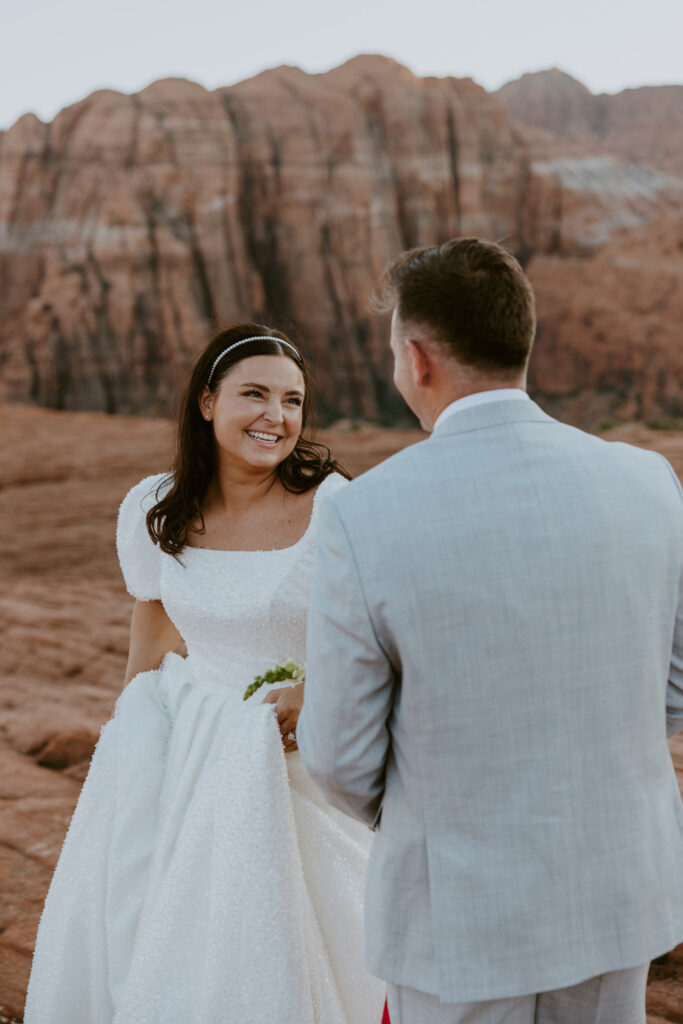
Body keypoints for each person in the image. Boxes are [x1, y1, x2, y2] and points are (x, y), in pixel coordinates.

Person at [298, 238, 683, 1024]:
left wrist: (435, 812)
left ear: (416, 358)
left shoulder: (360, 511)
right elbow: (673, 689)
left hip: (457, 915)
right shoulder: (647, 482)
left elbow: (338, 756)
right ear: (520, 342)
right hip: (616, 893)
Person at [24, 323, 386, 1024]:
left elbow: (379, 630)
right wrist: (133, 726)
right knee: (168, 933)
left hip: (298, 760)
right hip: (189, 748)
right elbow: (155, 619)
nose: (276, 417)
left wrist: (322, 691)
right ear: (207, 401)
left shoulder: (337, 505)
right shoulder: (154, 506)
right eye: (255, 394)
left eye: (292, 401)